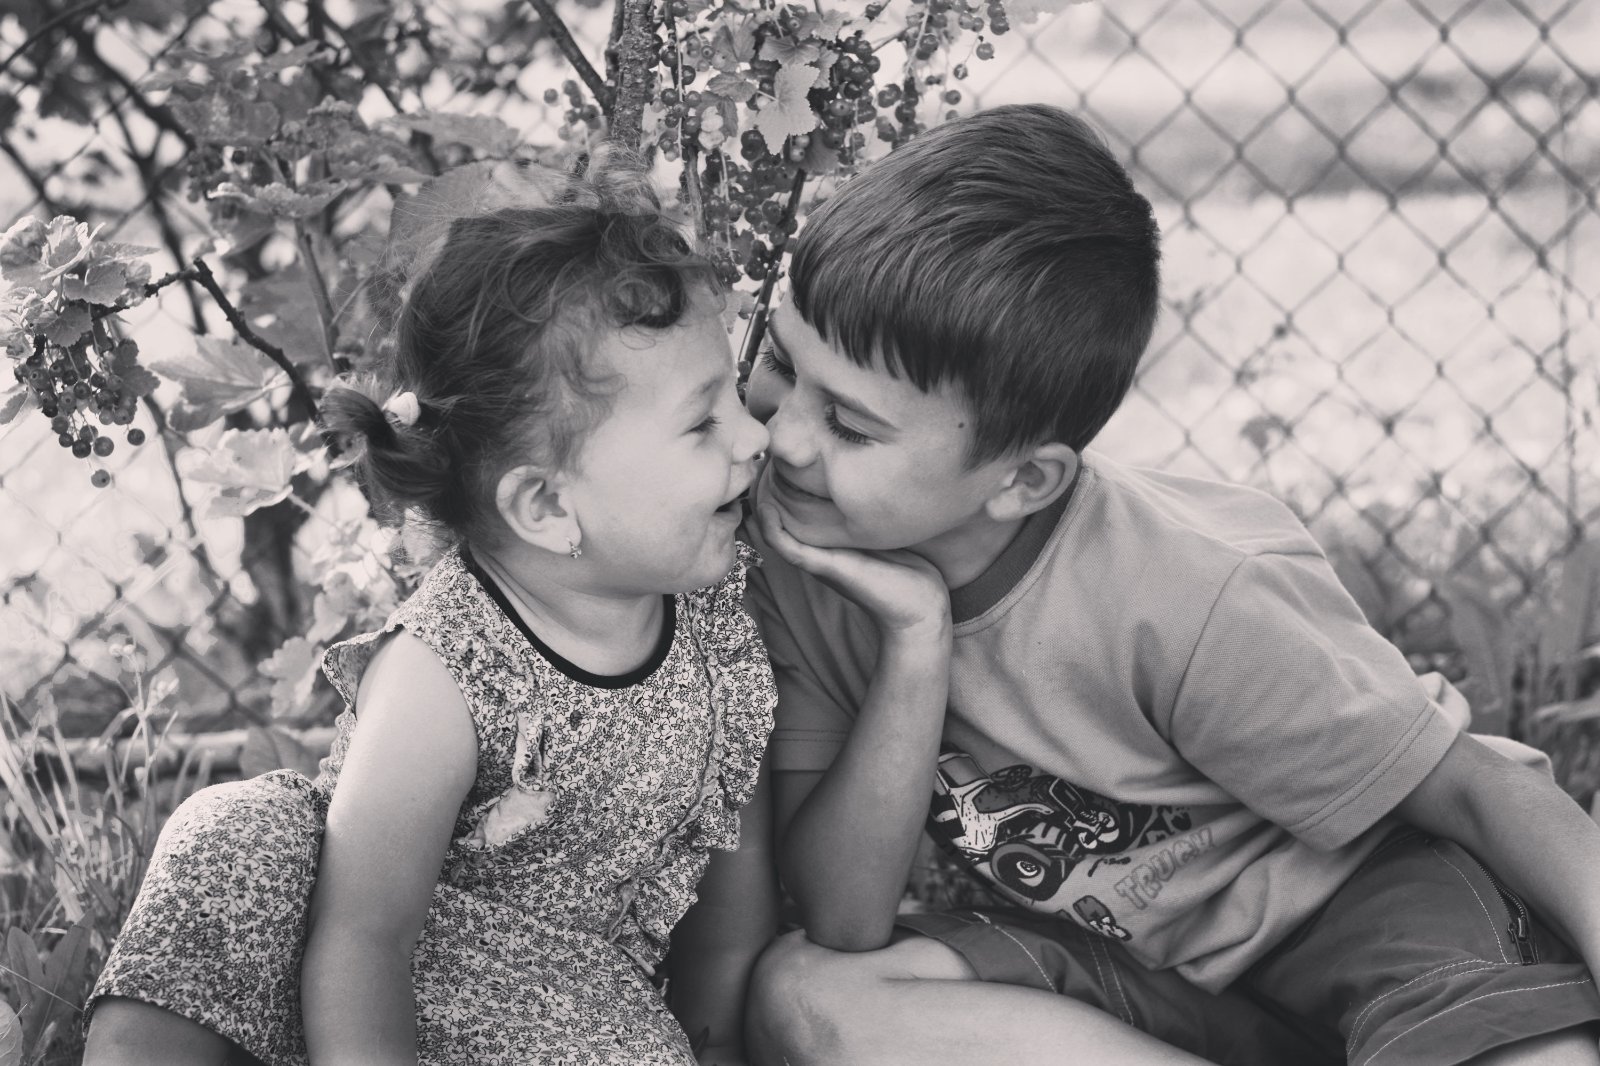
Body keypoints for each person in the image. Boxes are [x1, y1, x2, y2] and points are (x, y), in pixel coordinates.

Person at [738, 104, 1600, 1066]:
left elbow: (1474, 788)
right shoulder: (806, 564)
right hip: (1147, 980)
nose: (784, 436)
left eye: (850, 426)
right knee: (808, 997)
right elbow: (844, 917)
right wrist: (914, 647)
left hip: (1376, 922)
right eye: (779, 361)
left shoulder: (1191, 588)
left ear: (1024, 481)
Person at [82, 156, 776, 1066]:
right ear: (546, 506)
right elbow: (361, 937)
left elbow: (731, 913)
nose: (755, 435)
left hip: (561, 1012)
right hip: (354, 978)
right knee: (233, 833)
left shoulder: (718, 632)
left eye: (735, 397)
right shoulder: (446, 669)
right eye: (704, 422)